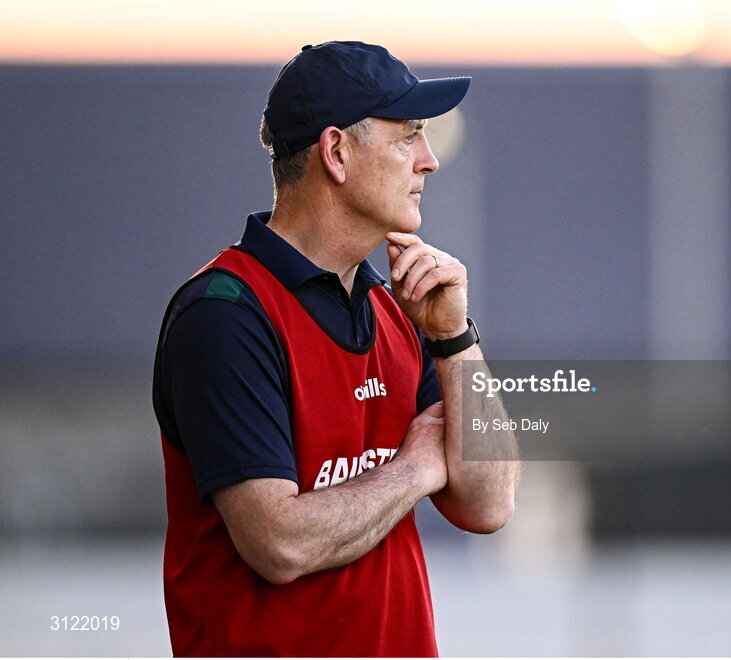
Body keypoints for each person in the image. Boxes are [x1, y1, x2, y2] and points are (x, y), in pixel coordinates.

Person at [152, 40, 519, 657]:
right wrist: (414, 470)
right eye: (408, 136)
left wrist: (455, 339)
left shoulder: (398, 311)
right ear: (337, 152)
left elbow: (488, 503)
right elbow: (280, 544)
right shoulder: (225, 314)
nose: (428, 161)